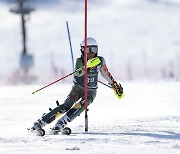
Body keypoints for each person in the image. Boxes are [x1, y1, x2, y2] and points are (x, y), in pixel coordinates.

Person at [30, 37, 123, 134]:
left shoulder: (100, 61)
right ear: (82, 50)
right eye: (87, 50)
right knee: (66, 105)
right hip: (78, 88)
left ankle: (61, 123)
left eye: (93, 50)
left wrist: (115, 85)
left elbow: (106, 74)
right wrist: (86, 68)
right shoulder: (80, 61)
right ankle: (40, 123)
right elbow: (78, 73)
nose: (91, 53)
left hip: (91, 91)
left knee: (81, 105)